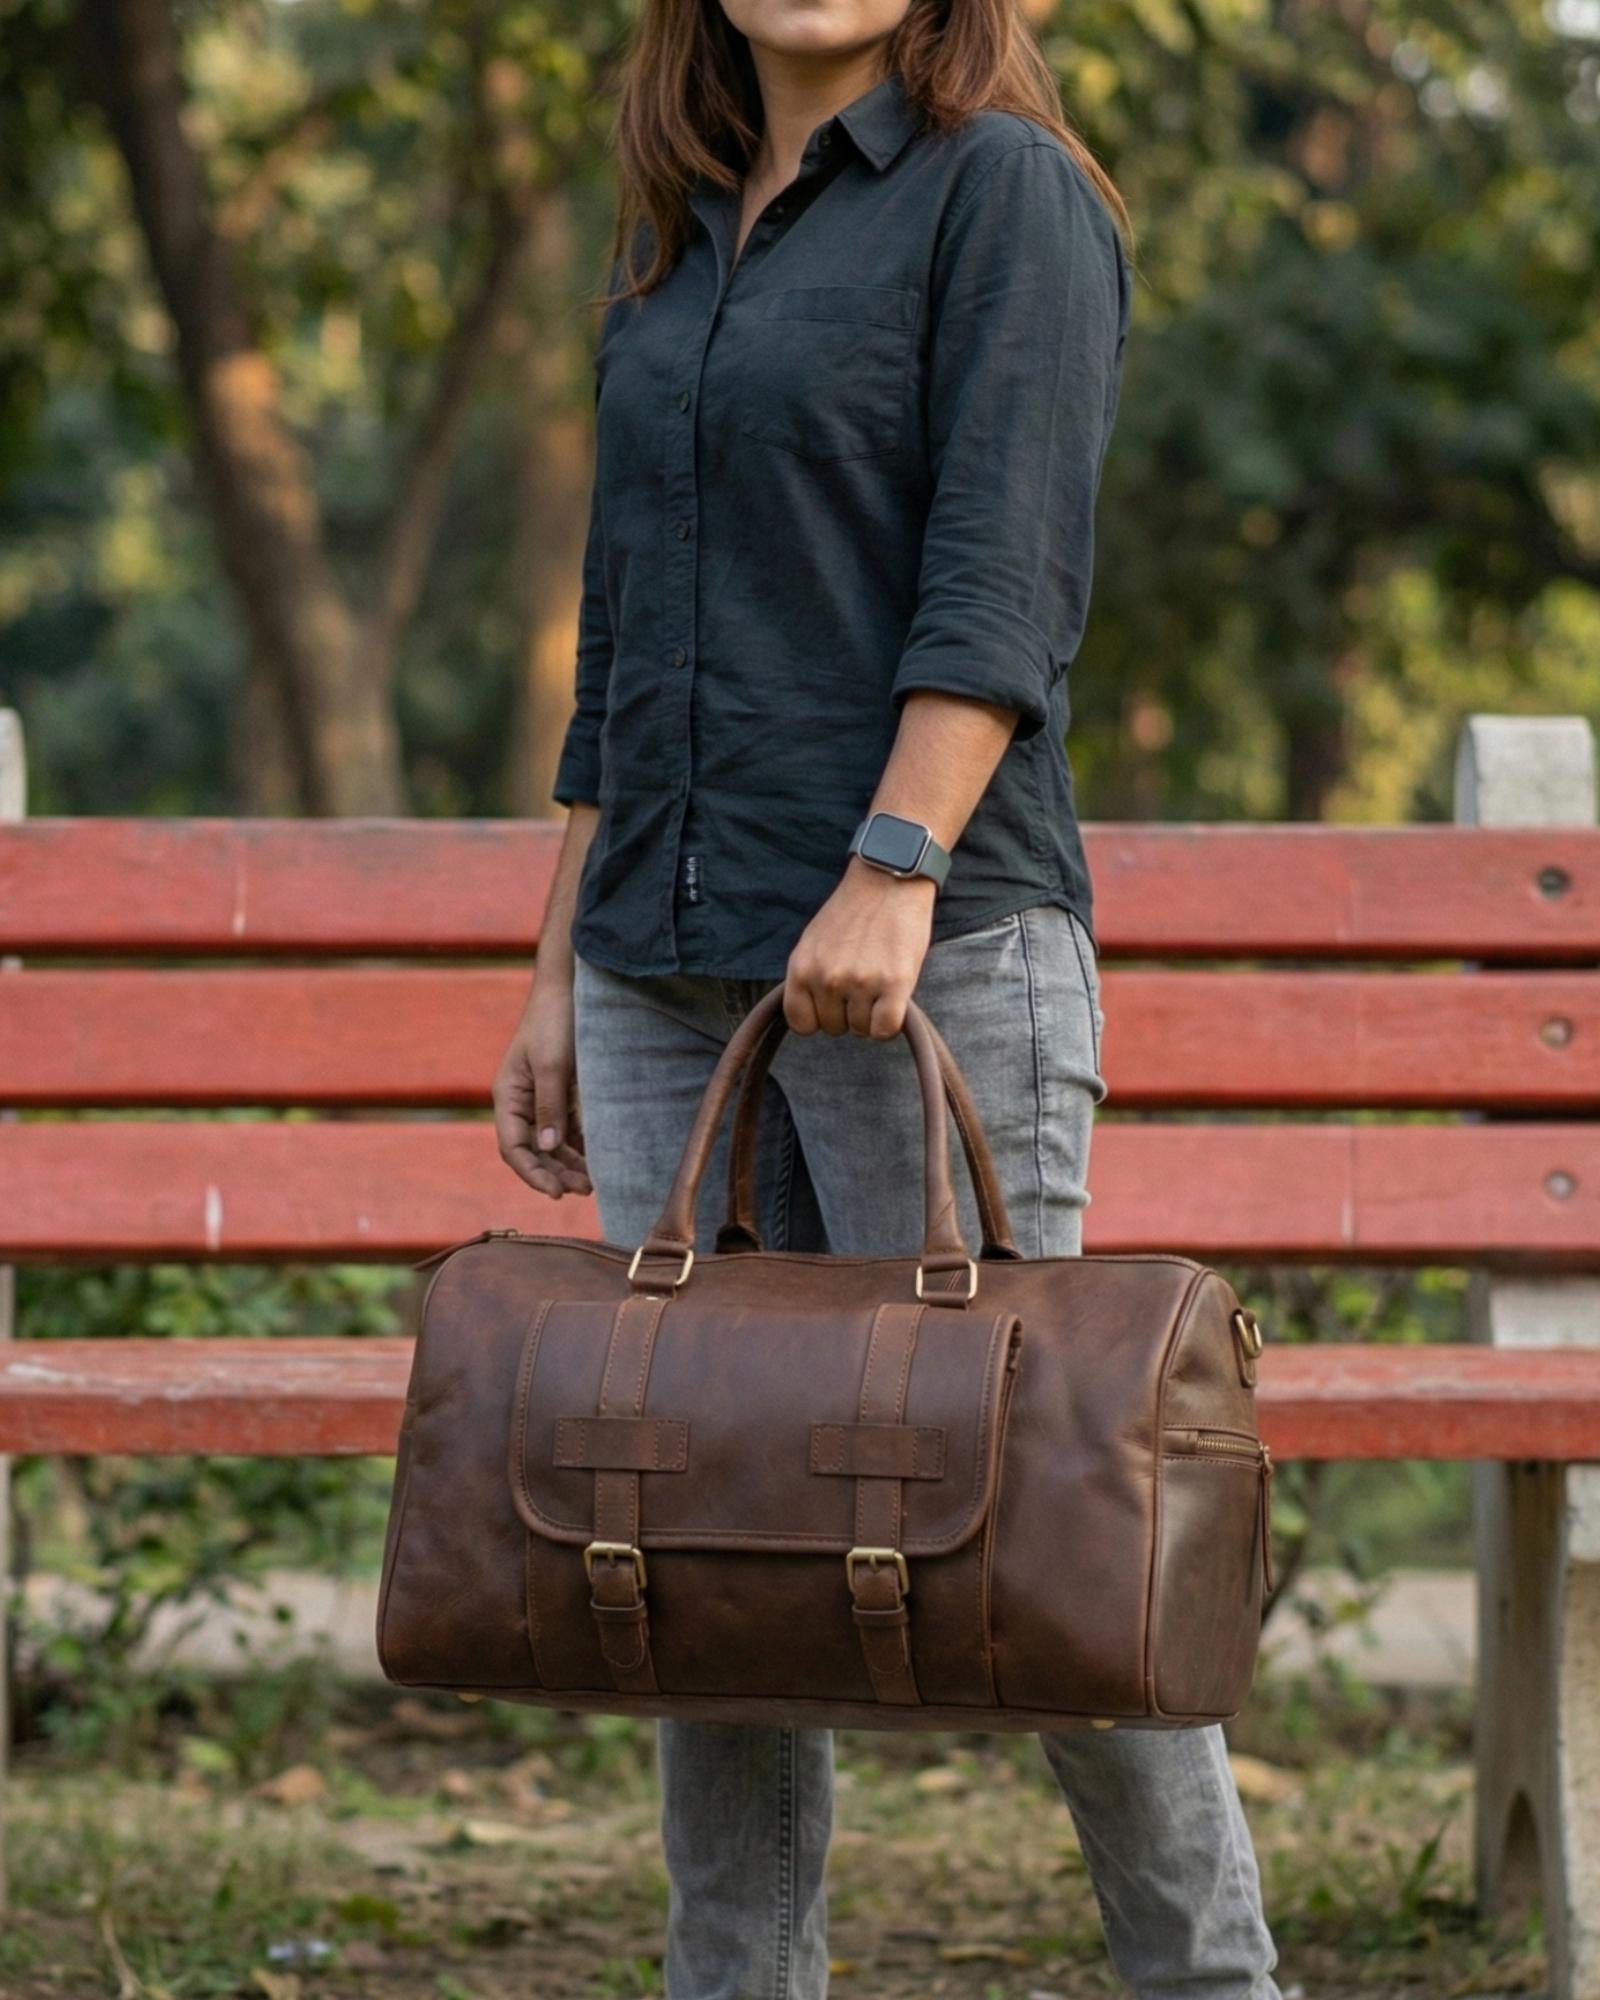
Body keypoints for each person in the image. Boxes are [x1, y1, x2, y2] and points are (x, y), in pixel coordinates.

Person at [493, 2, 1284, 1994]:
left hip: (917, 959)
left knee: (1053, 1537)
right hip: (663, 976)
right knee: (694, 1526)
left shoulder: (1002, 196)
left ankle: (1213, 1983)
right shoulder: (676, 222)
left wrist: (892, 865)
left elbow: (1000, 573)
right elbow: (618, 644)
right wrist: (550, 969)